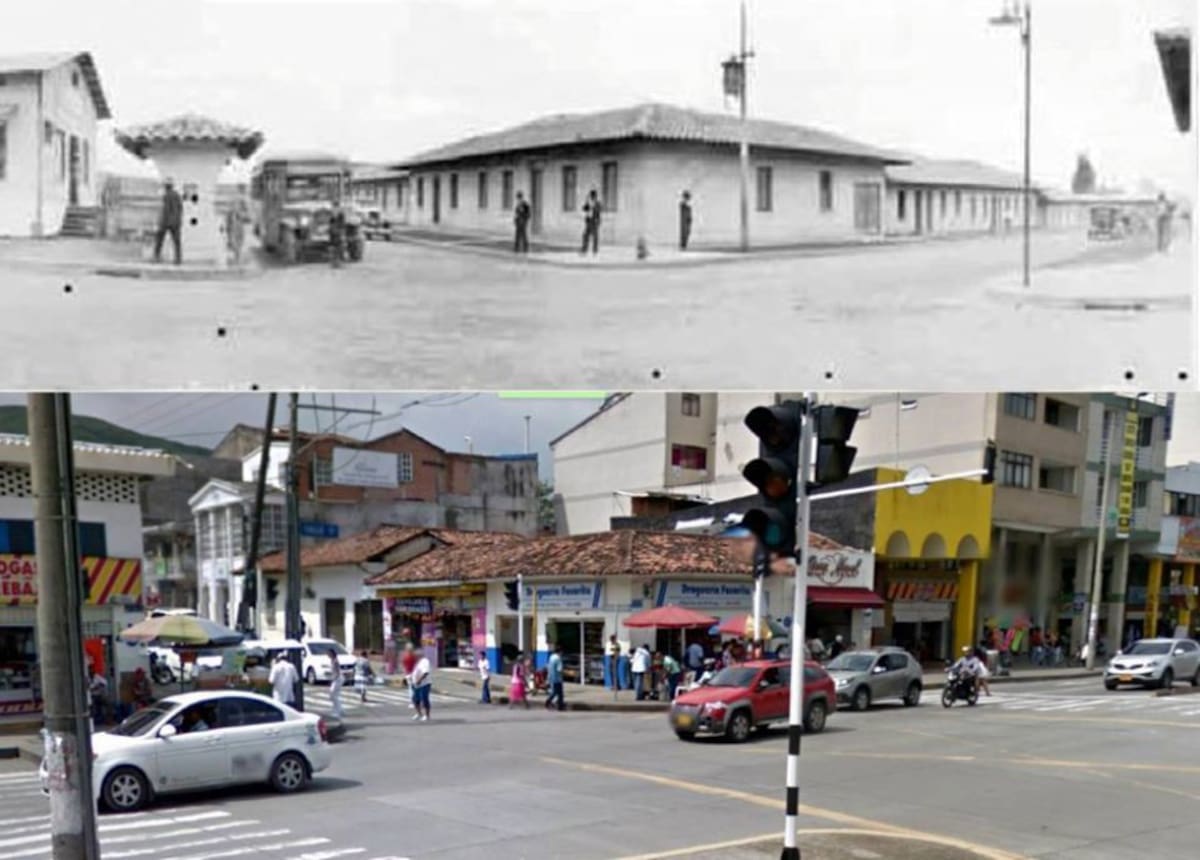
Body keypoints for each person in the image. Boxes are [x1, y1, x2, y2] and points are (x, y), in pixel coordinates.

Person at [154, 179, 183, 265]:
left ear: (166, 187)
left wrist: (160, 222)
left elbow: (165, 210)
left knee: (159, 239)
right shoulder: (177, 195)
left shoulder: (166, 196)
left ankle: (157, 256)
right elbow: (180, 209)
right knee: (176, 242)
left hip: (166, 222)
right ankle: (178, 259)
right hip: (176, 222)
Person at [410, 648, 432, 722]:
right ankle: (419, 714)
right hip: (415, 684)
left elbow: (425, 672)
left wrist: (419, 680)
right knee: (415, 699)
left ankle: (427, 715)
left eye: (415, 655)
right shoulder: (418, 662)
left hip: (424, 684)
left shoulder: (425, 661)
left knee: (424, 699)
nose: (414, 656)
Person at [226, 196, 249, 264]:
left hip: (239, 229)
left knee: (239, 243)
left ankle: (237, 257)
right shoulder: (230, 212)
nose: (235, 206)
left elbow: (246, 219)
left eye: (237, 204)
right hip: (233, 229)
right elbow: (228, 222)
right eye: (234, 204)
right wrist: (228, 232)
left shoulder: (240, 212)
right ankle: (236, 257)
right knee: (234, 243)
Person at [580, 189, 602, 255]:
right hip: (588, 221)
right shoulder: (588, 203)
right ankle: (584, 250)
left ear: (595, 196)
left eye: (593, 196)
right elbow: (584, 209)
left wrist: (592, 206)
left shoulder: (598, 203)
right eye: (591, 196)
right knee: (585, 236)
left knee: (595, 237)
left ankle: (595, 251)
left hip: (595, 221)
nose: (592, 197)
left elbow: (599, 210)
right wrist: (586, 202)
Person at [545, 644, 565, 711]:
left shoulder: (551, 657)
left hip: (551, 677)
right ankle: (550, 702)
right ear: (560, 651)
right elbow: (560, 669)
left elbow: (548, 667)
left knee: (557, 692)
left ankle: (560, 706)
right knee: (558, 693)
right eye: (562, 652)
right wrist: (563, 674)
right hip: (557, 678)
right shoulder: (558, 658)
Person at [329, 200, 347, 268]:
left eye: (335, 207)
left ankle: (337, 262)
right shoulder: (333, 213)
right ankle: (335, 263)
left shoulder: (339, 214)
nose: (335, 209)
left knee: (338, 246)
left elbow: (342, 223)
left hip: (337, 232)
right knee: (335, 247)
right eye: (334, 207)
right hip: (335, 232)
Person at [401, 643, 418, 710]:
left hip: (408, 674)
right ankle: (416, 701)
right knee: (415, 688)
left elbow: (404, 666)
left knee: (411, 689)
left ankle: (412, 703)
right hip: (414, 673)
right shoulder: (414, 657)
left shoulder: (405, 657)